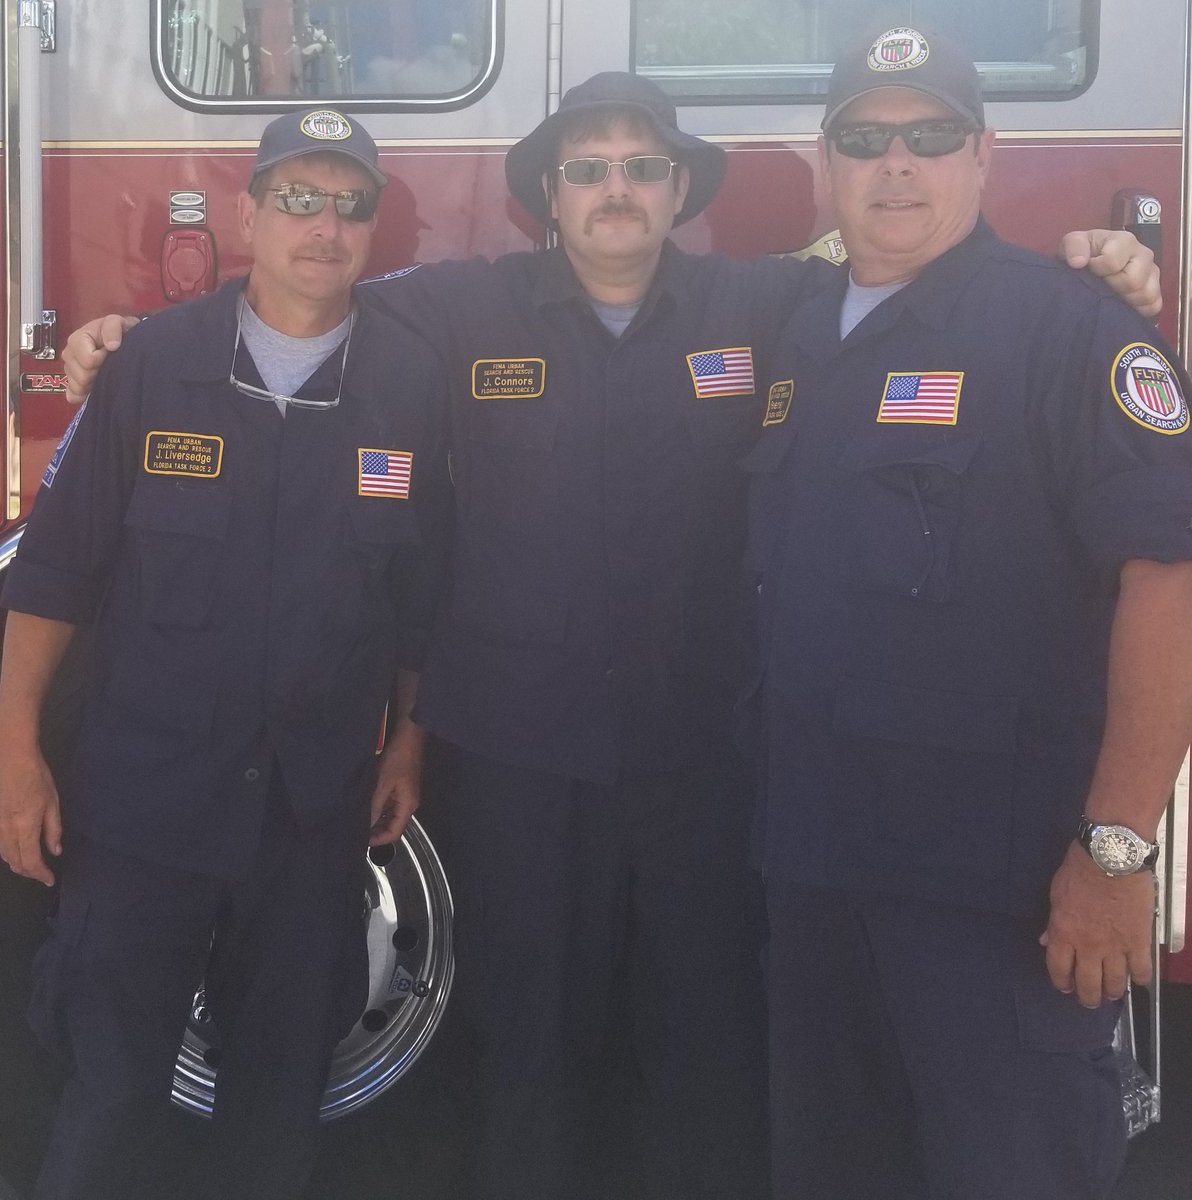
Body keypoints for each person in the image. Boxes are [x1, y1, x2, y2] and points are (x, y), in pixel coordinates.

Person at [59, 74, 1163, 1200]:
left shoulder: (769, 301)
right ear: (549, 194)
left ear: (681, 189)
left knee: (706, 1060)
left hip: (708, 772)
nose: (616, 190)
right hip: (522, 774)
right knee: (529, 1061)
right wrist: (139, 340)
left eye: (642, 167)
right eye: (586, 170)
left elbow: (920, 271)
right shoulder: (458, 307)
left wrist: (1093, 262)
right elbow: (303, 295)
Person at [746, 28, 1192, 1200]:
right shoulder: (800, 333)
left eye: (930, 135)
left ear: (983, 154)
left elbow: (1170, 577)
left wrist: (1115, 854)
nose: (896, 163)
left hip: (995, 897)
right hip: (817, 871)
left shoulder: (1069, 328)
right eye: (864, 137)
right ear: (826, 161)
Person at [0, 108, 447, 1200]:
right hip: (145, 810)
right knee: (109, 1093)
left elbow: (420, 596)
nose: (324, 225)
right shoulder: (153, 365)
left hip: (310, 813)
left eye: (349, 204)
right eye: (297, 197)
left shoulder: (411, 383)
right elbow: (54, 576)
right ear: (247, 214)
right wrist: (15, 754)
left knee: (277, 1107)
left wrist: (409, 744)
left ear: (372, 227)